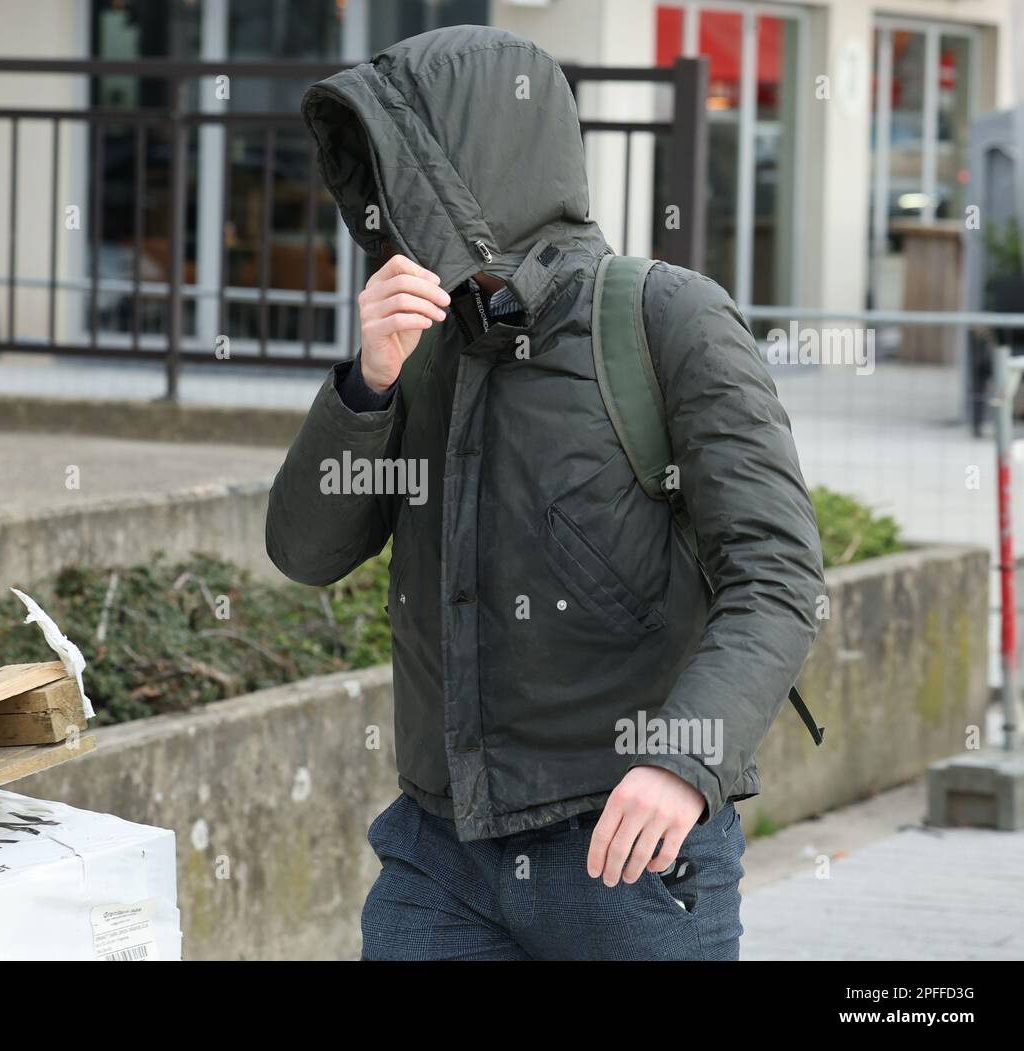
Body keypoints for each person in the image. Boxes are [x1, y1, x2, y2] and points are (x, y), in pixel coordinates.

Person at [265, 25, 824, 961]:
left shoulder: (668, 316)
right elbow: (304, 551)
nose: (393, 205)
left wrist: (683, 762)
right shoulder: (424, 346)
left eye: (410, 170)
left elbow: (778, 574)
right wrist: (367, 384)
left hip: (629, 854)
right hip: (438, 854)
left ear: (472, 169)